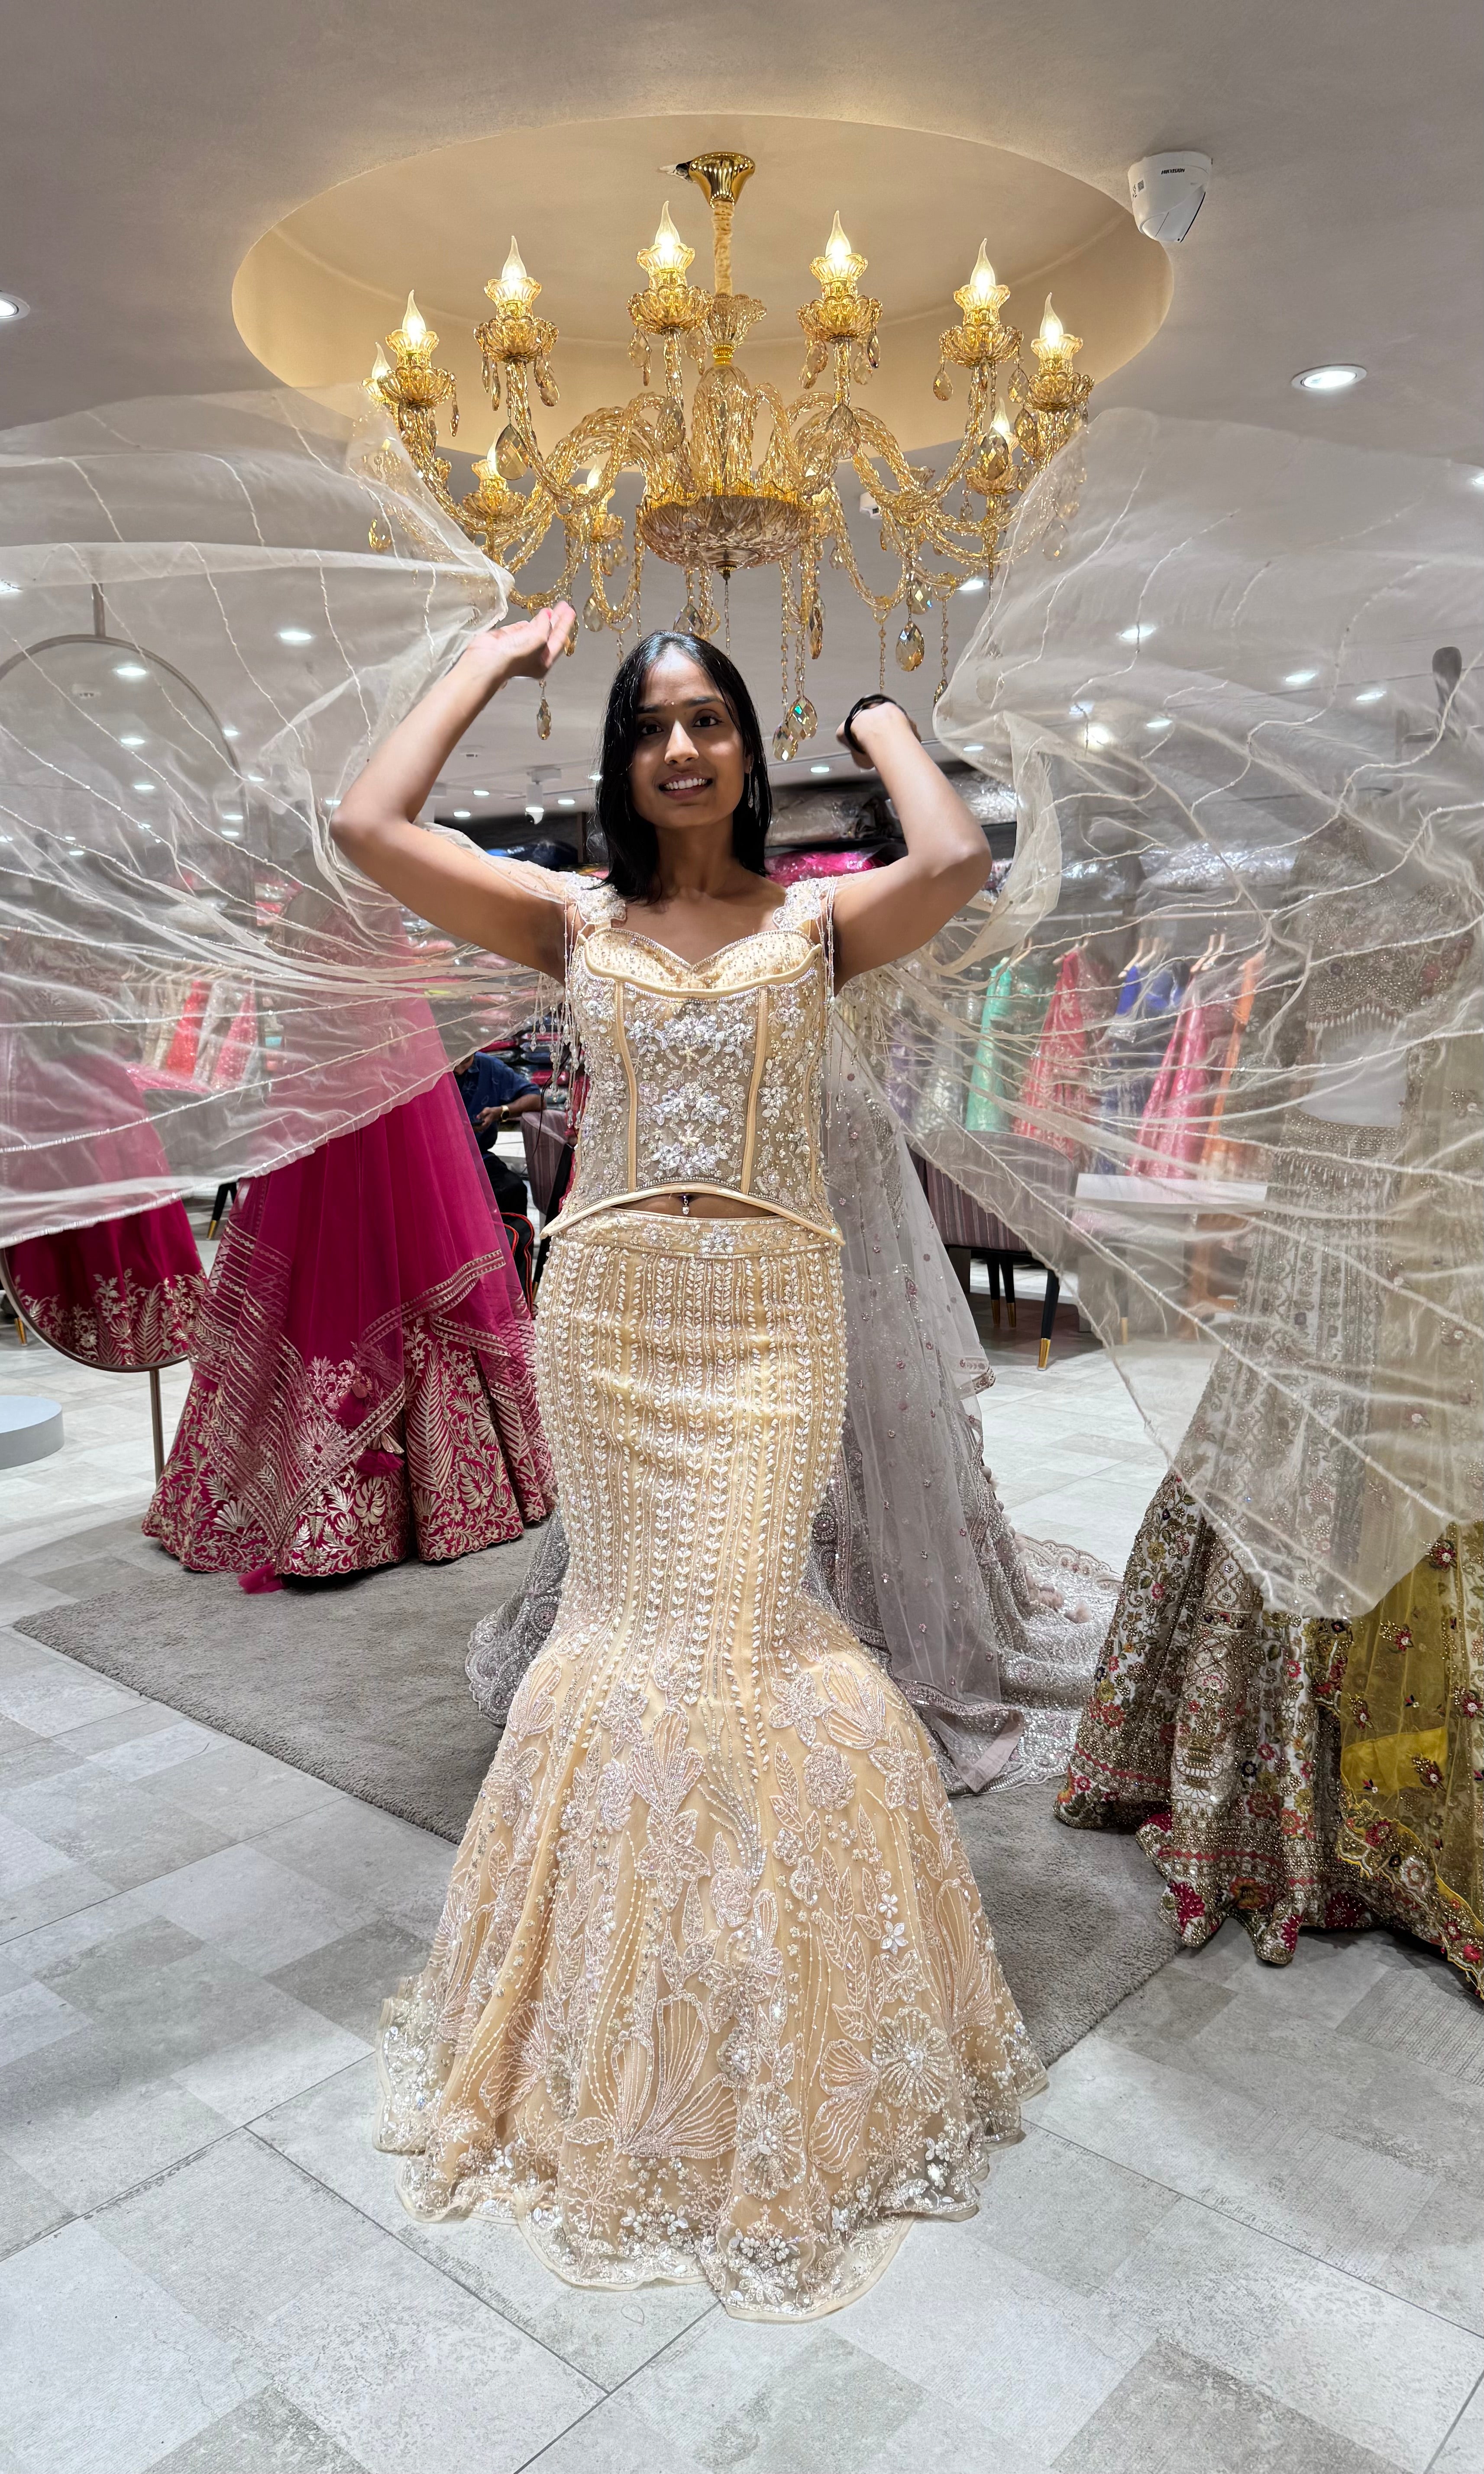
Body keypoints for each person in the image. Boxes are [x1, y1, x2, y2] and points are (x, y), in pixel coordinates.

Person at [335, 606, 1043, 2318]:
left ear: (742, 746)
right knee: (636, 1649)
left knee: (738, 1649)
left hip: (769, 1325)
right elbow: (365, 826)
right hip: (618, 1317)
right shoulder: (568, 920)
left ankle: (766, 2023)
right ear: (621, 757)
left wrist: (876, 716)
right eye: (648, 724)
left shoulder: (817, 926)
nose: (676, 749)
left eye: (705, 721)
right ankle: (614, 2027)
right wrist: (485, 665)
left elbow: (952, 854)